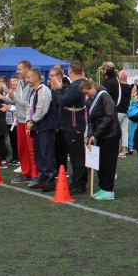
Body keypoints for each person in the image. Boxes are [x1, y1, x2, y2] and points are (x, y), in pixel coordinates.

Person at [50, 60, 88, 195]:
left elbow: (63, 101)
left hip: (73, 125)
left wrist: (57, 90)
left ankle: (80, 183)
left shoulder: (76, 86)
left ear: (70, 71)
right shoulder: (77, 85)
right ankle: (77, 181)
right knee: (74, 155)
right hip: (71, 125)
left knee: (77, 156)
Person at [81, 77, 122, 200]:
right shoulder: (89, 101)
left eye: (87, 92)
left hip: (111, 134)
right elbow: (90, 121)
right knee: (100, 163)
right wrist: (90, 136)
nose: (86, 95)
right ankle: (103, 187)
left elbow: (109, 116)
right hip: (100, 135)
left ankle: (109, 190)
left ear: (92, 87)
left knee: (108, 163)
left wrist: (96, 134)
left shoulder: (104, 96)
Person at [26, 67, 59, 192]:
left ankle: (50, 179)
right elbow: (30, 107)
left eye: (29, 77)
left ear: (35, 78)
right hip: (38, 127)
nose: (27, 80)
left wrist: (33, 120)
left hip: (46, 126)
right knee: (39, 153)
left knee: (47, 153)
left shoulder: (43, 90)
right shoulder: (33, 92)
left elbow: (42, 109)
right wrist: (30, 121)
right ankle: (43, 176)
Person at [10, 61, 36, 184]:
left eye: (19, 69)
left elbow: (28, 104)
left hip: (28, 121)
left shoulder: (32, 85)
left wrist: (15, 99)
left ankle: (34, 174)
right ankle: (26, 172)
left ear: (26, 70)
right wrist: (2, 98)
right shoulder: (20, 83)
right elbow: (17, 101)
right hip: (20, 120)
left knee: (31, 149)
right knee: (22, 149)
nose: (17, 71)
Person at [117, 69, 133, 157]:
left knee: (114, 130)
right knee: (124, 131)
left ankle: (114, 149)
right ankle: (124, 151)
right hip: (126, 111)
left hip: (118, 111)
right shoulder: (129, 87)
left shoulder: (118, 86)